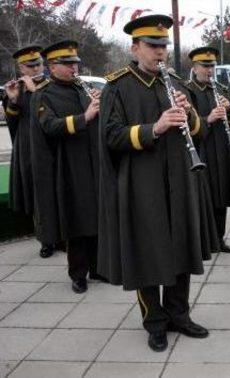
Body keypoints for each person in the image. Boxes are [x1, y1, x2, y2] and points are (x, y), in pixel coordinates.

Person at [97, 14, 214, 352]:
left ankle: (179, 313)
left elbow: (198, 130)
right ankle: (155, 321)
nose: (160, 52)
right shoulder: (117, 86)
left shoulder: (176, 82)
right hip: (141, 182)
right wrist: (155, 128)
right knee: (147, 252)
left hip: (179, 178)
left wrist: (189, 112)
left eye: (164, 46)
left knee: (180, 246)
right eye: (153, 46)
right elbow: (110, 136)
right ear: (135, 47)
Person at [29, 40, 103, 293]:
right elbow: (49, 126)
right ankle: (78, 274)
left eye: (75, 63)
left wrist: (99, 106)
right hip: (68, 167)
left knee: (95, 217)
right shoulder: (43, 94)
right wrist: (86, 116)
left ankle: (98, 267)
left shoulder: (82, 88)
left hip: (92, 162)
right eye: (68, 64)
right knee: (77, 222)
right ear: (52, 66)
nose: (74, 68)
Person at [1, 46, 58, 258]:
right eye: (29, 66)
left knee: (57, 190)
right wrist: (13, 100)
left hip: (52, 144)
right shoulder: (18, 88)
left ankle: (63, 235)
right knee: (37, 194)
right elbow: (13, 121)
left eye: (38, 64)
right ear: (21, 67)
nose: (35, 69)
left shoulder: (52, 85)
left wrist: (36, 92)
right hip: (29, 147)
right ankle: (46, 239)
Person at [185, 46, 230, 253]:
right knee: (202, 198)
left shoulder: (221, 89)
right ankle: (201, 242)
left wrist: (229, 110)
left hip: (222, 150)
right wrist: (208, 119)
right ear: (195, 67)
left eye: (212, 66)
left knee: (221, 196)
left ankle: (218, 238)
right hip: (202, 150)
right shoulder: (188, 90)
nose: (209, 70)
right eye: (205, 66)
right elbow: (188, 123)